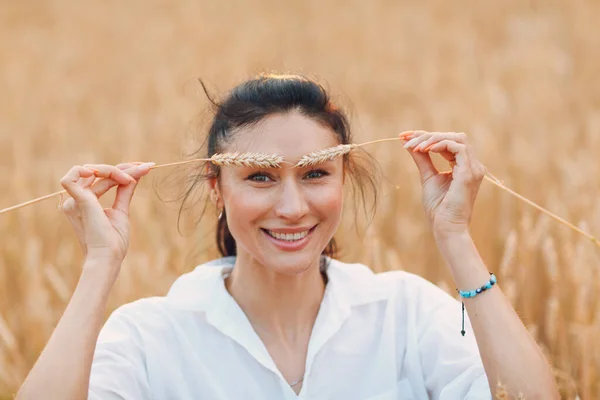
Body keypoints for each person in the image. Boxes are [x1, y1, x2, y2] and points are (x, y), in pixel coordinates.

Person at [17, 74, 559, 400]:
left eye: (316, 173)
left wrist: (457, 237)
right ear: (216, 187)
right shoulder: (150, 337)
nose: (293, 207)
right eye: (260, 176)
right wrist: (99, 266)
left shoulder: (406, 313)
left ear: (343, 179)